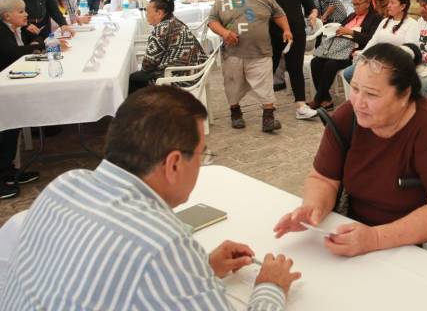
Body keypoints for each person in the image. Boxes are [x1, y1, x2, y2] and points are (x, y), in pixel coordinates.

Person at [0, 85, 301, 310]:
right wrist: (270, 287)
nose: (202, 163)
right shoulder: (162, 243)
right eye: (201, 155)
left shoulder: (65, 186)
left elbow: (104, 282)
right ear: (172, 165)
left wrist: (200, 271)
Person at [274, 43, 427, 274]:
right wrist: (312, 207)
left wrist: (376, 238)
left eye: (371, 94)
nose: (358, 102)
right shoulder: (348, 118)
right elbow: (323, 178)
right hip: (379, 233)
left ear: (404, 94)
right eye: (355, 89)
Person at [208, 0, 293, 132]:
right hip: (233, 53)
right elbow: (212, 21)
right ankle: (235, 112)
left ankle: (268, 118)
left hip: (261, 51)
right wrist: (225, 33)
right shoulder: (222, 0)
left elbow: (279, 13)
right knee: (233, 85)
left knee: (265, 85)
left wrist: (286, 29)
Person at [255, 0, 319, 120]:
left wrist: (313, 13)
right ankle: (267, 102)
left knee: (295, 67)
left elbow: (308, 3)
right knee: (270, 66)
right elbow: (255, 3)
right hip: (271, 30)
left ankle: (301, 105)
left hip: (296, 29)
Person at [309, 0, 380, 109]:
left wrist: (351, 33)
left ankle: (317, 99)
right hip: (337, 50)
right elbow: (340, 28)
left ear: (367, 4)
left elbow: (370, 40)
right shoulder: (352, 16)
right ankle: (326, 99)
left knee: (330, 65)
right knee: (315, 62)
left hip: (353, 54)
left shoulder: (375, 18)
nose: (355, 7)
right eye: (353, 4)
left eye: (358, 4)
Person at [0, 0, 42, 200]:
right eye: (21, 11)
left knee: (12, 124)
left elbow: (37, 43)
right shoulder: (1, 31)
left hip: (8, 84)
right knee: (4, 128)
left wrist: (34, 42)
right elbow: (13, 54)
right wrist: (34, 45)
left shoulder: (19, 29)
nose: (26, 14)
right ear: (7, 15)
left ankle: (7, 171)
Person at [128, 0, 208, 93]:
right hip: (195, 72)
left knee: (133, 79)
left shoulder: (161, 29)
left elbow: (147, 65)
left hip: (180, 78)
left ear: (159, 13)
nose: (146, 15)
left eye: (148, 12)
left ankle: (145, 107)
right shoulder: (175, 21)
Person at [342, 0, 419, 82]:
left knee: (365, 77)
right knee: (348, 73)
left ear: (402, 6)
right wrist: (363, 54)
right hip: (377, 60)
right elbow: (374, 40)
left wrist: (388, 58)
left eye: (392, 3)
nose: (388, 5)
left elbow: (410, 50)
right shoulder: (385, 21)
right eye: (389, 2)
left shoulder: (412, 24)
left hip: (395, 64)